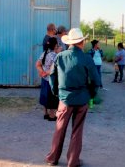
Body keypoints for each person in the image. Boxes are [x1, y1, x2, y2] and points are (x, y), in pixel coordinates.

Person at [45, 28, 100, 167]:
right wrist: (91, 95)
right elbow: (95, 80)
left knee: (59, 128)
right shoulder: (87, 58)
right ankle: (73, 161)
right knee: (77, 131)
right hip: (82, 99)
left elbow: (52, 76)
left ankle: (53, 158)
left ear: (70, 42)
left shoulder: (60, 56)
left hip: (65, 99)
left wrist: (57, 93)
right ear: (82, 41)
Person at [35, 37, 61, 121]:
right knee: (53, 97)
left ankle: (45, 113)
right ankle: (52, 115)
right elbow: (53, 69)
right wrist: (46, 73)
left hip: (44, 79)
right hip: (51, 80)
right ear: (55, 45)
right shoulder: (54, 55)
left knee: (45, 96)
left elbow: (37, 64)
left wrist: (42, 72)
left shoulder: (45, 53)